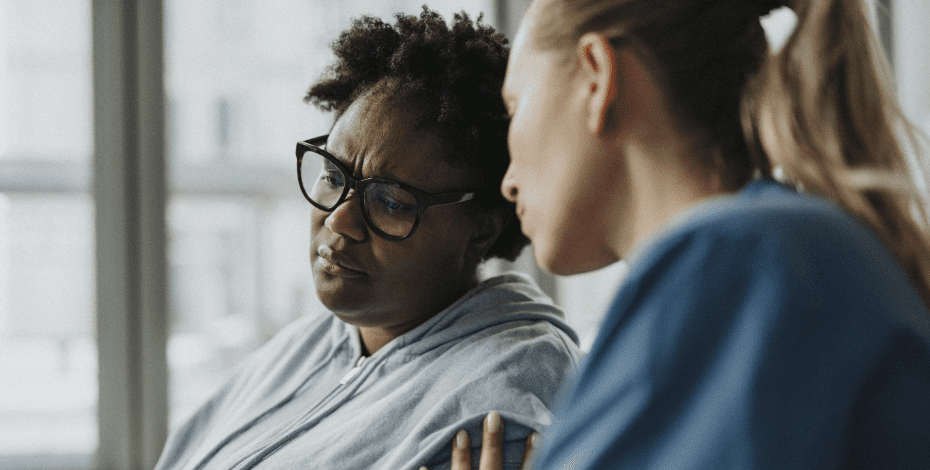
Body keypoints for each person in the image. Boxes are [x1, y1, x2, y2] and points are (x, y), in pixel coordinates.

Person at [440, 0, 930, 468]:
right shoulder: (776, 253)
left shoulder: (738, 261)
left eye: (514, 107)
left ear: (596, 77)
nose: (506, 182)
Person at [154, 8, 581, 470]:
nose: (339, 221)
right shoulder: (309, 344)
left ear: (481, 230)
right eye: (332, 174)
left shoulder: (511, 400)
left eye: (392, 202)